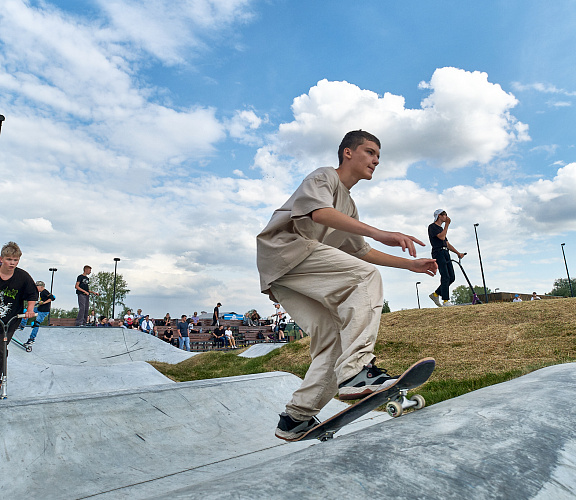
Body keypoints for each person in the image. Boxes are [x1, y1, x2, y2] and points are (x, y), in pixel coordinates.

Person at [256, 130, 437, 440]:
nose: (376, 160)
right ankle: (356, 371)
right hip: (288, 250)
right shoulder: (324, 177)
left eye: (379, 156)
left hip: (285, 275)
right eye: (370, 152)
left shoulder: (349, 208)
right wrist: (381, 232)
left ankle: (296, 417)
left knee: (333, 338)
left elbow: (361, 250)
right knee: (365, 277)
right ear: (348, 153)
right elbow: (319, 212)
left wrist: (409, 264)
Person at [0, 242, 38, 378]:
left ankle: (1, 378)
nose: (12, 263)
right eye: (9, 259)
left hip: (10, 320)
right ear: (1, 259)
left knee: (1, 349)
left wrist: (30, 309)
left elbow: (32, 294)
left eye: (15, 260)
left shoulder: (23, 277)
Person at [428, 210, 465, 307]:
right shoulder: (432, 227)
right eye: (444, 215)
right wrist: (447, 225)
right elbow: (441, 237)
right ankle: (445, 301)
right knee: (445, 276)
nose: (446, 217)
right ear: (439, 216)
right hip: (438, 252)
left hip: (445, 252)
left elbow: (447, 243)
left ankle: (435, 294)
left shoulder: (441, 229)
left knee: (451, 277)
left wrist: (457, 253)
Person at [20, 280, 55, 346]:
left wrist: (44, 303)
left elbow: (52, 298)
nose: (36, 289)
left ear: (41, 287)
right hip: (39, 309)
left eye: (37, 287)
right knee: (26, 311)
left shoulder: (45, 292)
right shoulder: (41, 292)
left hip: (43, 311)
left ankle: (32, 339)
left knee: (36, 323)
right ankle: (22, 325)